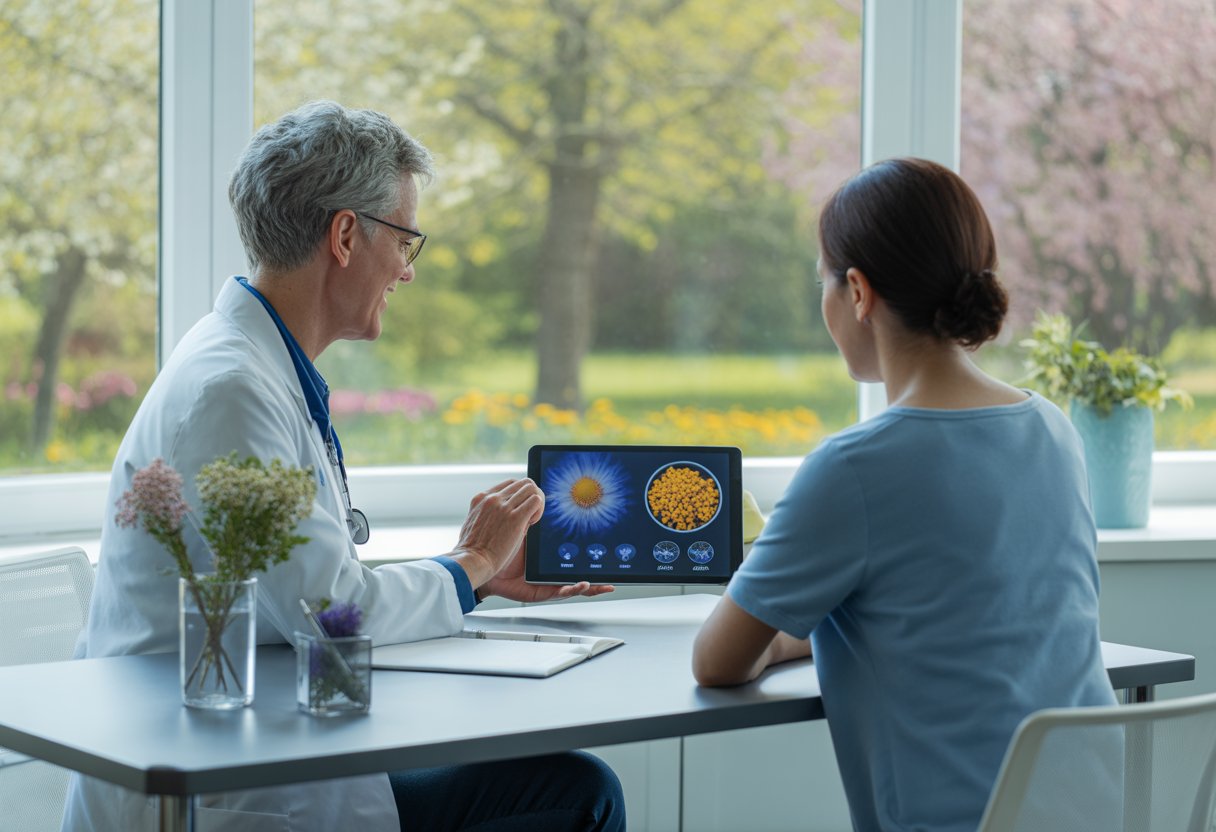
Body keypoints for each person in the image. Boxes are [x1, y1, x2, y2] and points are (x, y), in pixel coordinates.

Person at [62, 101, 624, 832]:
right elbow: (328, 618)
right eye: (406, 242)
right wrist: (475, 558)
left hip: (273, 745)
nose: (407, 272)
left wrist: (471, 579)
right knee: (575, 793)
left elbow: (308, 593)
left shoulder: (249, 368)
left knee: (568, 782)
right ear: (347, 235)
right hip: (227, 792)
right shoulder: (231, 391)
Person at [691, 157, 1117, 832]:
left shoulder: (854, 468)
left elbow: (716, 662)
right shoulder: (1052, 429)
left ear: (857, 291)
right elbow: (950, 613)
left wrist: (785, 630)